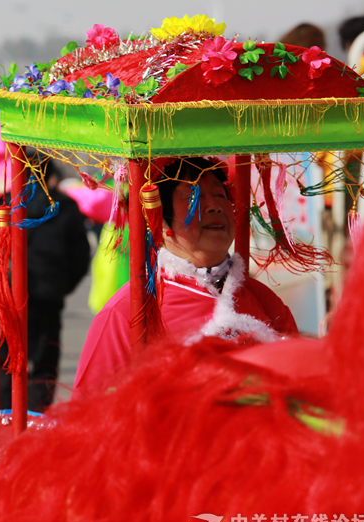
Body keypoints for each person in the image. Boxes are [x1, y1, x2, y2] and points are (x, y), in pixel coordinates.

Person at [73, 157, 298, 400]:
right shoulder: (127, 313)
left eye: (220, 195)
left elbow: (300, 384)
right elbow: (88, 417)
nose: (214, 206)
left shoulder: (264, 300)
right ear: (159, 216)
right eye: (194, 196)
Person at [0, 161, 90, 411]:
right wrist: (62, 285)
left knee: (8, 361)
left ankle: (9, 416)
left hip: (7, 295)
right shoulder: (64, 206)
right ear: (49, 175)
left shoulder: (3, 206)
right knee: (44, 362)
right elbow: (80, 257)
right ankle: (37, 417)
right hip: (48, 296)